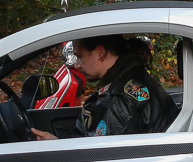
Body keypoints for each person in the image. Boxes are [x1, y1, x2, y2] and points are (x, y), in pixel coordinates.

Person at [31, 35, 176, 139]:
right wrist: (58, 143)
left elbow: (100, 159)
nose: (77, 65)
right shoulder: (133, 77)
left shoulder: (118, 101)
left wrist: (58, 152)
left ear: (100, 53)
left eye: (80, 56)